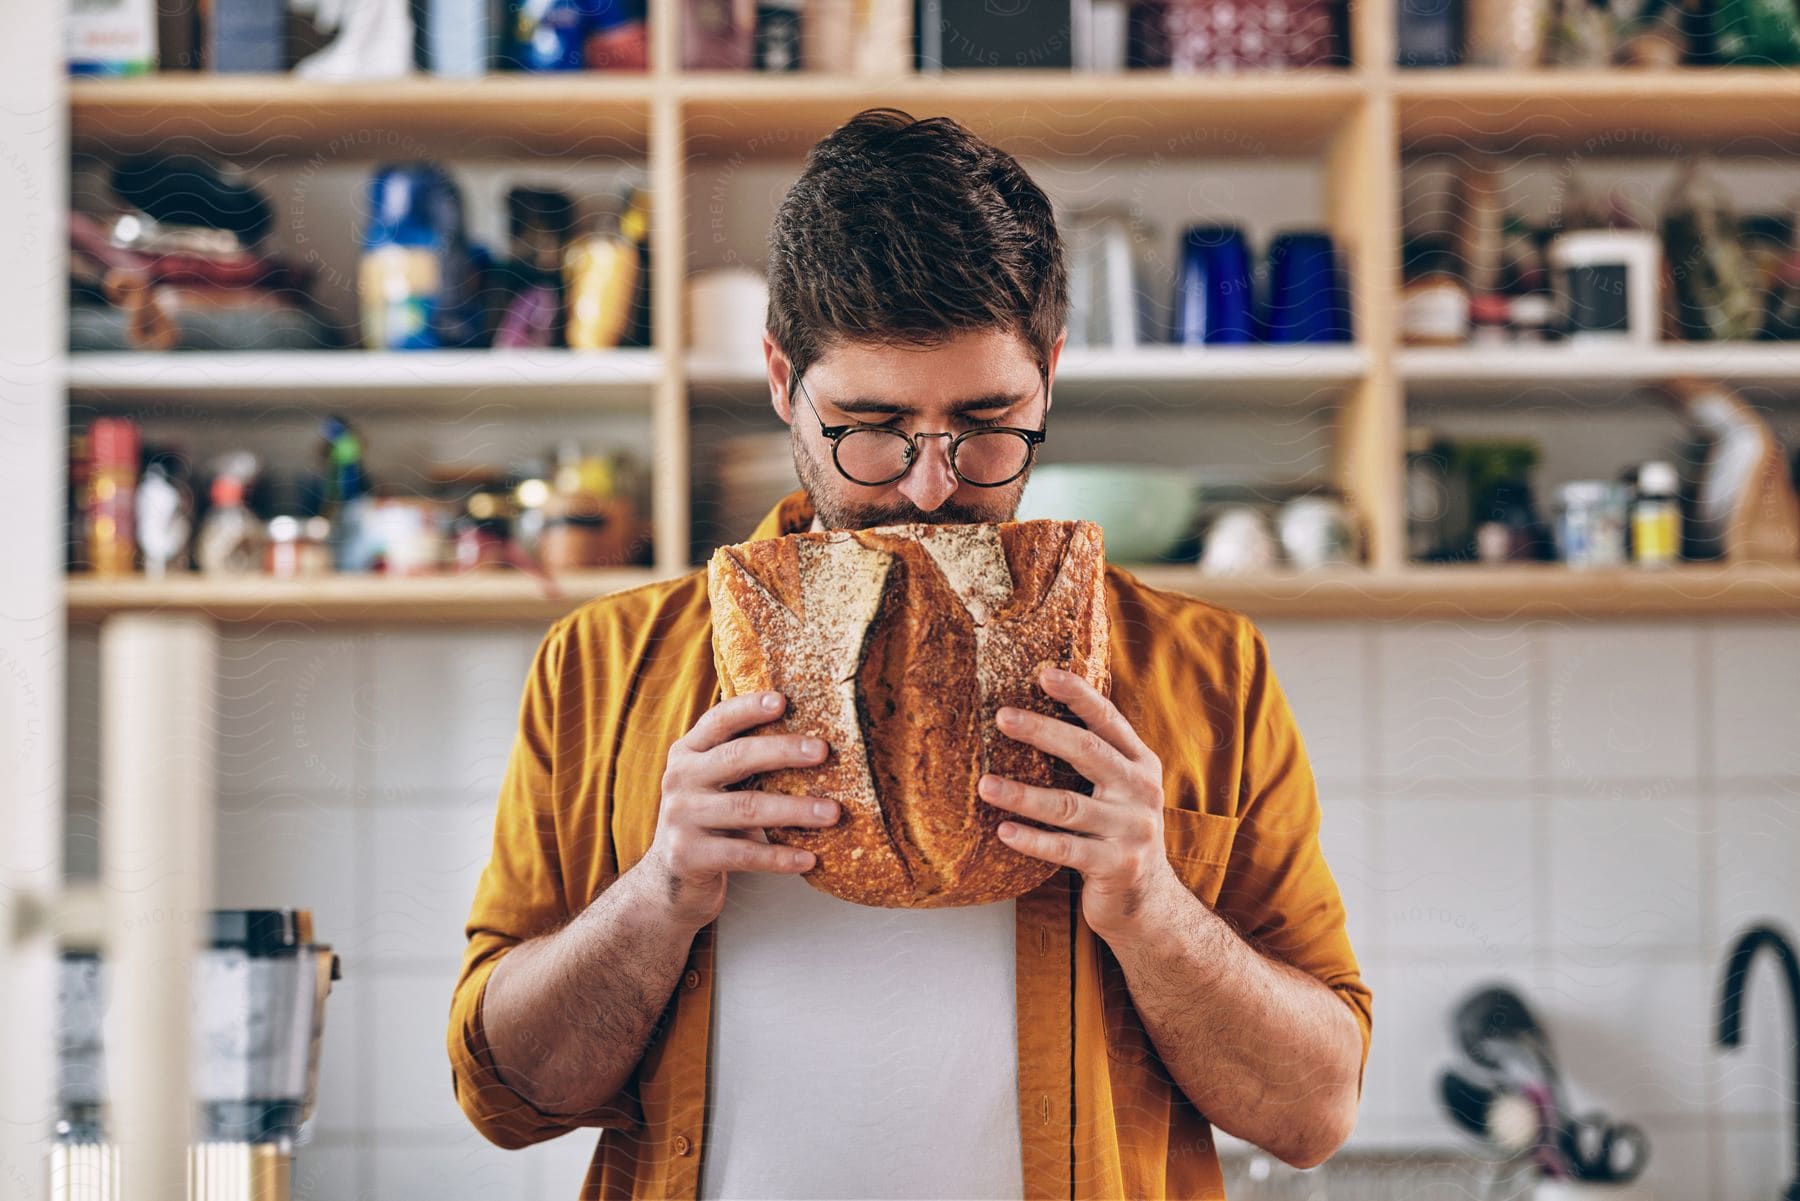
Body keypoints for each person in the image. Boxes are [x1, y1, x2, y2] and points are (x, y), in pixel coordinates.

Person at [448, 107, 1371, 1201]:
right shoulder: (600, 666)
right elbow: (505, 1096)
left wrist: (1151, 902)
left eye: (988, 419)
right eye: (872, 423)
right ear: (785, 381)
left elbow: (1314, 1114)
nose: (933, 484)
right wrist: (661, 891)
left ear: (1052, 374)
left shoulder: (1206, 671)